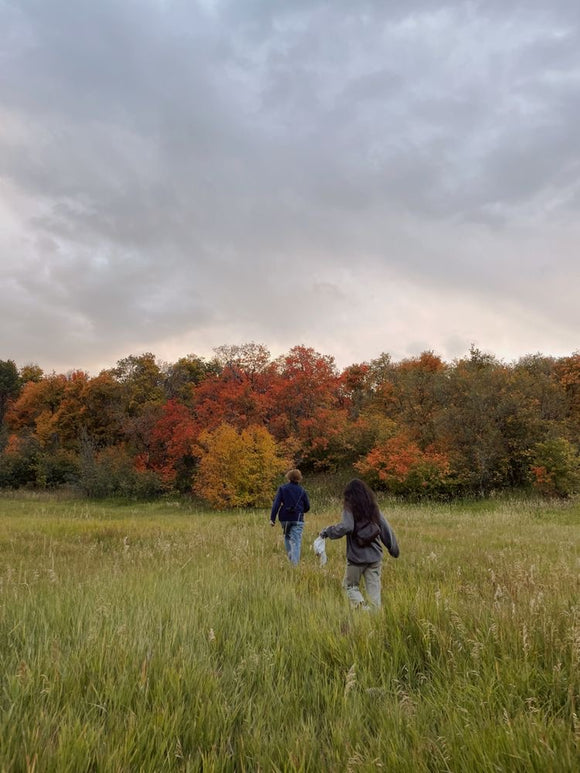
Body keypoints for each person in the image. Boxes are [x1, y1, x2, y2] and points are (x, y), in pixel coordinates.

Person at [319, 478, 399, 609]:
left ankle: (363, 609)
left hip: (357, 557)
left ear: (349, 494)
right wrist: (393, 549)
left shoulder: (349, 507)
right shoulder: (373, 508)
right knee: (374, 593)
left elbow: (346, 526)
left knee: (349, 586)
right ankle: (374, 616)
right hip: (375, 556)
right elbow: (386, 529)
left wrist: (328, 531)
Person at [270, 469, 311, 565]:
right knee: (296, 541)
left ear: (288, 477)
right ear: (299, 478)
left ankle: (290, 559)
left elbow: (276, 504)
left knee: (287, 537)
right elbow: (307, 506)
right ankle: (294, 565)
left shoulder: (282, 488)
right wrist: (301, 511)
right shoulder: (302, 490)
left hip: (284, 518)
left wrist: (272, 518)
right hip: (297, 518)